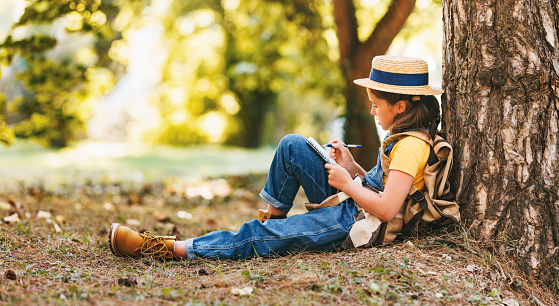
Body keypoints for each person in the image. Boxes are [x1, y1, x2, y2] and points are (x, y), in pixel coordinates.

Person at [108, 55, 443, 260]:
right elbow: (383, 184)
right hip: (353, 205)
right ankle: (276, 226)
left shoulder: (412, 145)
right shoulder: (401, 136)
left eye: (375, 104)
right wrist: (350, 168)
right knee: (293, 146)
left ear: (400, 106)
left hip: (357, 224)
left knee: (257, 236)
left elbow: (386, 208)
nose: (371, 110)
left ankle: (169, 248)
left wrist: (347, 184)